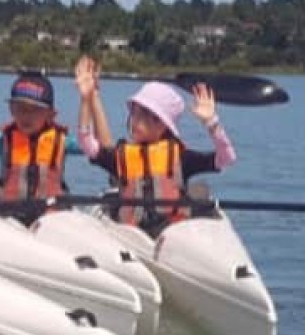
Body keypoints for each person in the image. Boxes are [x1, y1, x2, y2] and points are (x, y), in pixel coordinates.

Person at [75, 55, 236, 233]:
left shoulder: (180, 158)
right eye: (134, 113)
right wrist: (85, 100)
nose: (135, 121)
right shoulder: (122, 156)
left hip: (172, 234)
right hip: (132, 236)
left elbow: (226, 159)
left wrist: (211, 123)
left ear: (162, 123)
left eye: (144, 115)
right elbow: (87, 143)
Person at [0, 71, 72, 202]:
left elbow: (92, 146)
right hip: (10, 213)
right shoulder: (1, 140)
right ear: (11, 110)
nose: (26, 116)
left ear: (51, 114)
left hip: (50, 214)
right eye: (20, 109)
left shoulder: (63, 141)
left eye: (35, 110)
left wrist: (88, 99)